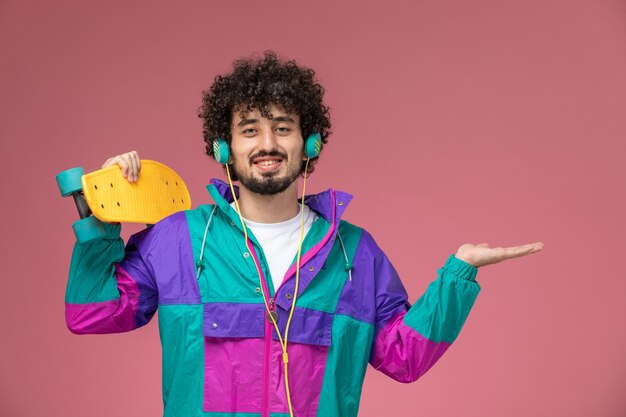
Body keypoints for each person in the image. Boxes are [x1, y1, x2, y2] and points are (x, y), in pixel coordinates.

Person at [65, 51, 543, 417]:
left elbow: (404, 359)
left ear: (309, 144)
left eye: (283, 128)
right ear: (224, 146)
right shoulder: (178, 241)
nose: (267, 144)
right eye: (249, 129)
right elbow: (91, 314)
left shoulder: (354, 253)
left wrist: (458, 277)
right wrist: (103, 211)